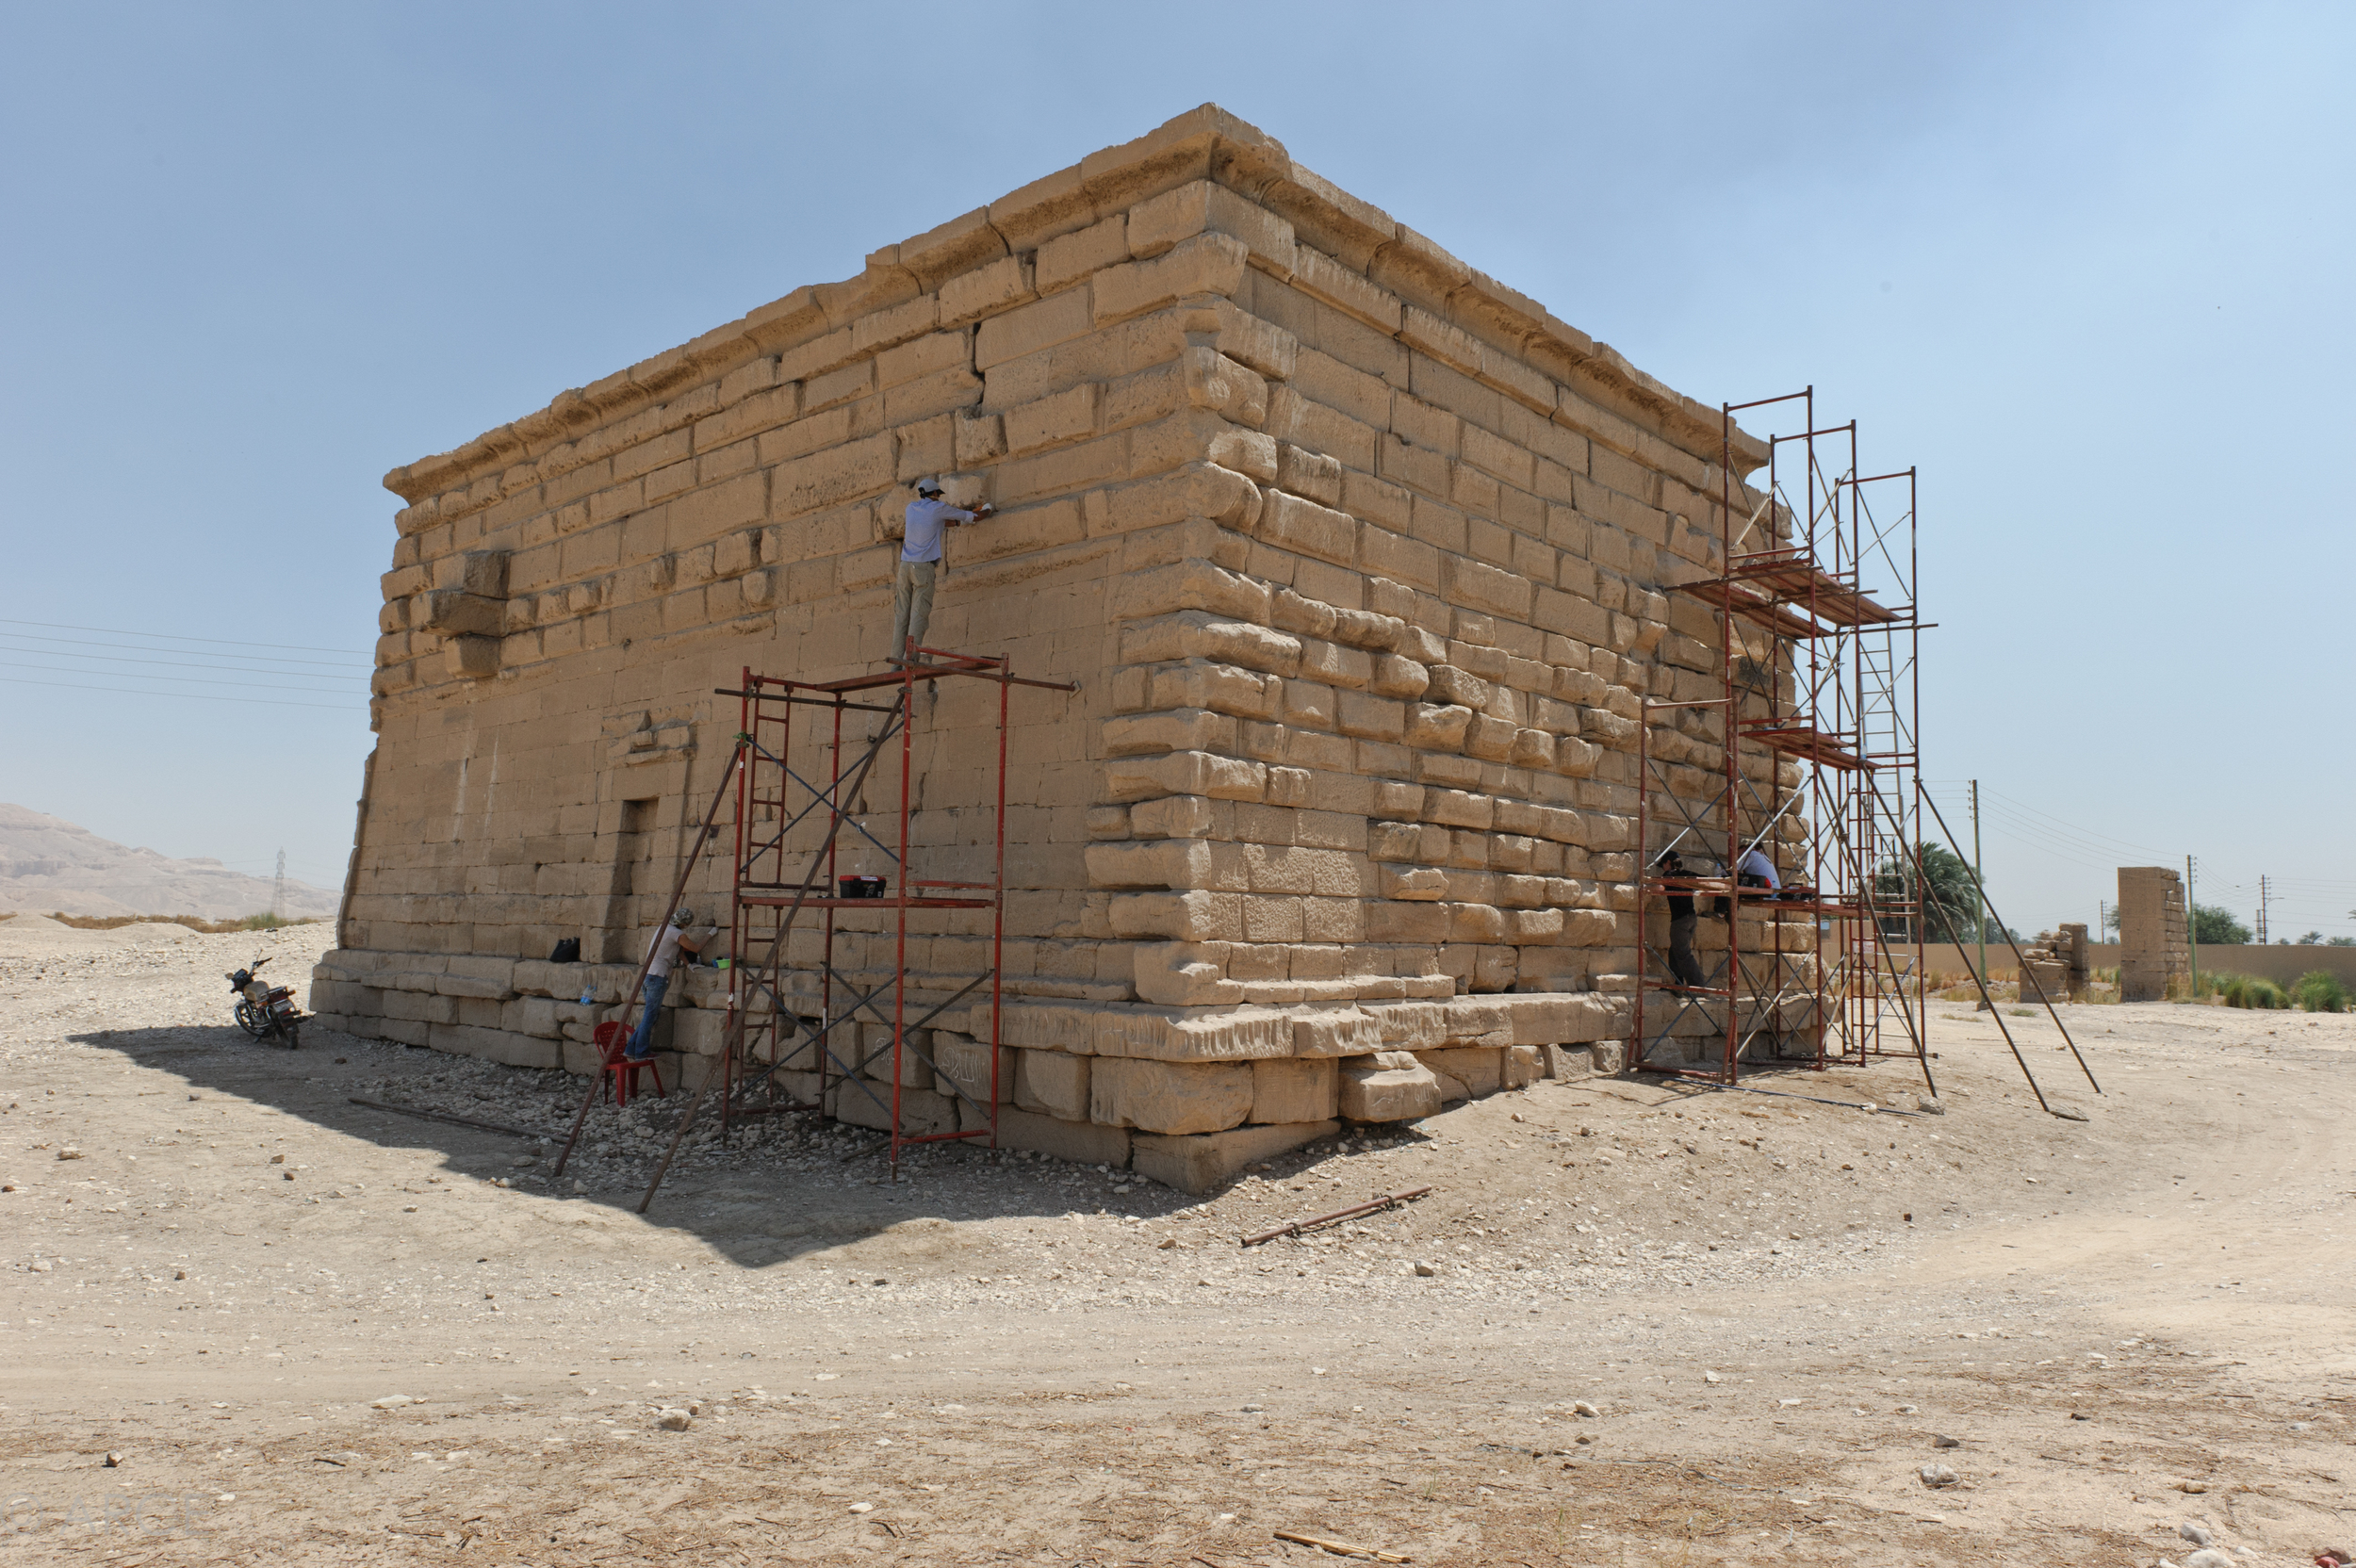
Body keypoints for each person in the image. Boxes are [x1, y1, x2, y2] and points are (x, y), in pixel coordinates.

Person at [891, 477, 993, 661]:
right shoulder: (938, 508)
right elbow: (972, 517)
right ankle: (910, 660)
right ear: (936, 493)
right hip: (923, 569)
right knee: (919, 613)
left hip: (904, 568)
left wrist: (954, 524)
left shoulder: (911, 509)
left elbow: (931, 523)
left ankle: (895, 662)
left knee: (901, 615)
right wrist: (988, 509)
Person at [625, 907, 703, 1060]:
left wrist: (689, 965)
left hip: (648, 975)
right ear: (685, 923)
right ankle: (641, 1052)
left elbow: (678, 952)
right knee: (650, 1015)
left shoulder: (664, 928)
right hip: (658, 976)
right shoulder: (676, 933)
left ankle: (630, 1048)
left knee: (650, 1015)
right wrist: (710, 933)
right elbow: (696, 948)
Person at [1657, 849, 1706, 991]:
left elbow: (1660, 888)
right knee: (1675, 952)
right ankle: (1678, 985)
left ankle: (1699, 987)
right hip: (1691, 918)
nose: (1663, 868)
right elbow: (1705, 880)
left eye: (1663, 865)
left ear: (1668, 863)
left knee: (1683, 955)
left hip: (1680, 921)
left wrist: (1646, 886)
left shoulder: (1669, 875)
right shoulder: (1686, 874)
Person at [1712, 844, 1781, 921]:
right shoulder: (1760, 855)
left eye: (1738, 852)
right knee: (1738, 889)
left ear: (1744, 848)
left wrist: (1720, 873)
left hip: (1766, 891)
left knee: (1727, 883)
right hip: (1773, 892)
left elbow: (1734, 870)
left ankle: (1720, 913)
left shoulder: (1750, 854)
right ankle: (1731, 916)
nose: (1738, 856)